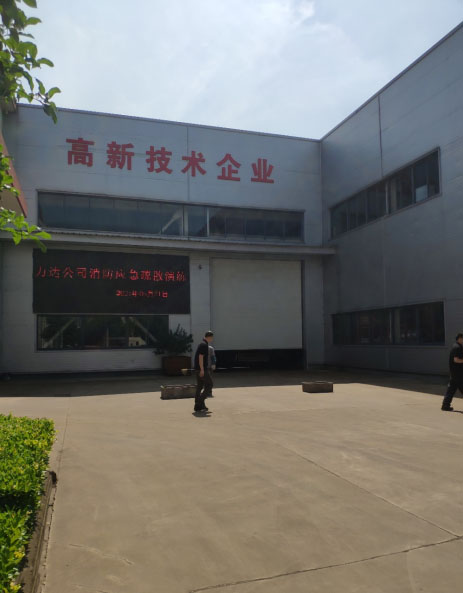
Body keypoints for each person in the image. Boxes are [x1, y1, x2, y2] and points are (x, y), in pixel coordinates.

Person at [441, 332, 463, 411]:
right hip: (458, 374)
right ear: (460, 338)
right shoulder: (457, 347)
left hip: (454, 374)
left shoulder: (456, 346)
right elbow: (456, 360)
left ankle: (445, 405)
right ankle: (445, 405)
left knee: (451, 390)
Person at [193, 331, 214, 413]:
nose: (212, 339)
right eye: (212, 337)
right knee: (209, 385)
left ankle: (199, 404)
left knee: (200, 386)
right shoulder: (204, 345)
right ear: (209, 337)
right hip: (202, 369)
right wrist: (202, 369)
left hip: (198, 368)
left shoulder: (202, 344)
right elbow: (200, 357)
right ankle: (199, 402)